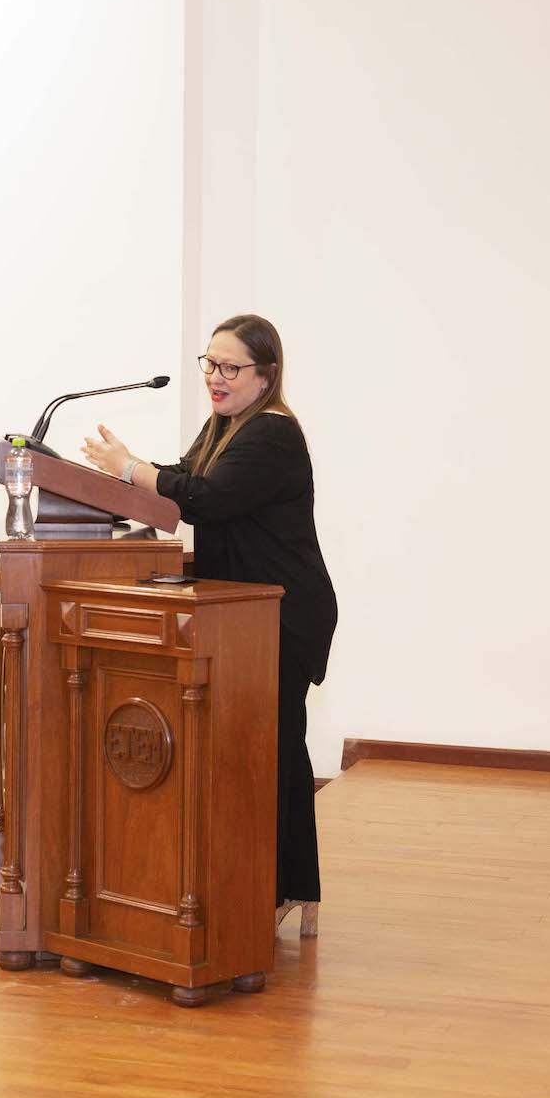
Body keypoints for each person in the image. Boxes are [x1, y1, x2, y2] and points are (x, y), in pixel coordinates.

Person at [81, 313, 338, 936]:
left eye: (230, 368)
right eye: (209, 364)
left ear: (266, 375)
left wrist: (130, 468)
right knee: (259, 751)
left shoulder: (272, 434)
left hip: (280, 613)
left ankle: (287, 888)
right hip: (243, 614)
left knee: (272, 752)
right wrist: (109, 486)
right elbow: (187, 485)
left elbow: (207, 499)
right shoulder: (225, 425)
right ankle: (277, 885)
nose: (214, 379)